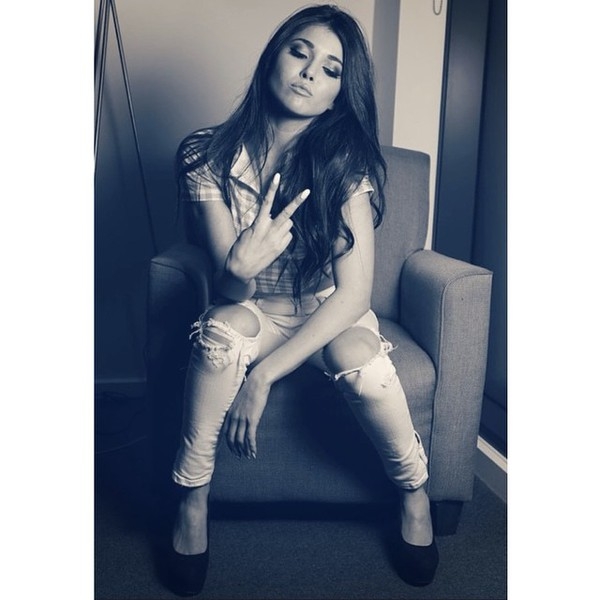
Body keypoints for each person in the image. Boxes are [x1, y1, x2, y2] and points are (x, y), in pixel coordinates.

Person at [164, 4, 438, 595]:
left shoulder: (345, 163)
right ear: (275, 57)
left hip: (324, 313)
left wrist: (262, 377)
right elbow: (229, 293)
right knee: (221, 330)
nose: (310, 72)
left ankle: (414, 490)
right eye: (300, 52)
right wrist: (239, 268)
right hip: (255, 311)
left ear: (339, 94)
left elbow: (353, 293)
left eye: (331, 69)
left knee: (362, 362)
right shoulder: (206, 155)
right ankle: (192, 497)